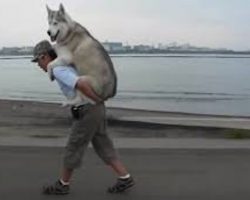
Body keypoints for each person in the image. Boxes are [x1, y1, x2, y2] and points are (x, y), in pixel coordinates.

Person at [31, 40, 135, 195]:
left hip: (87, 110)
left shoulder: (59, 69)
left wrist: (96, 99)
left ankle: (63, 185)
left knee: (73, 147)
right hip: (95, 109)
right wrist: (98, 102)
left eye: (38, 60)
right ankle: (125, 177)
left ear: (45, 56)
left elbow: (80, 84)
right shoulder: (66, 65)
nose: (38, 65)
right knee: (102, 144)